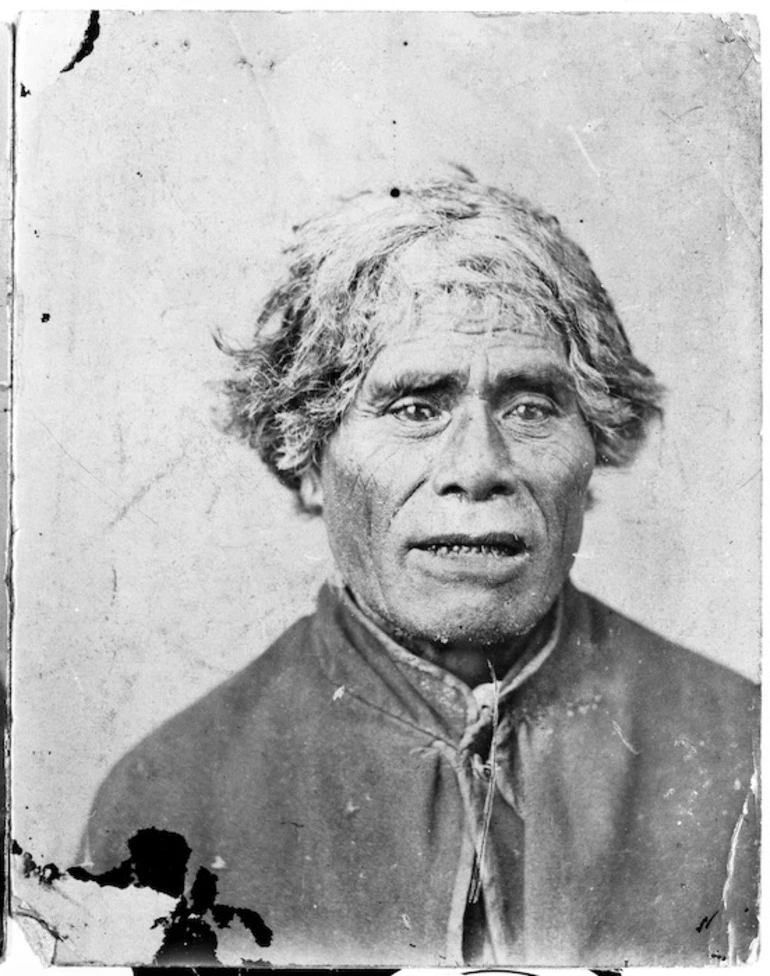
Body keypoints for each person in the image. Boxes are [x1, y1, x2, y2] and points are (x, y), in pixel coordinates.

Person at [81, 178, 759, 967]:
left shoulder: (744, 752)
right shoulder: (170, 803)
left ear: (595, 447)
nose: (478, 468)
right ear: (304, 455)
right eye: (415, 407)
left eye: (531, 407)